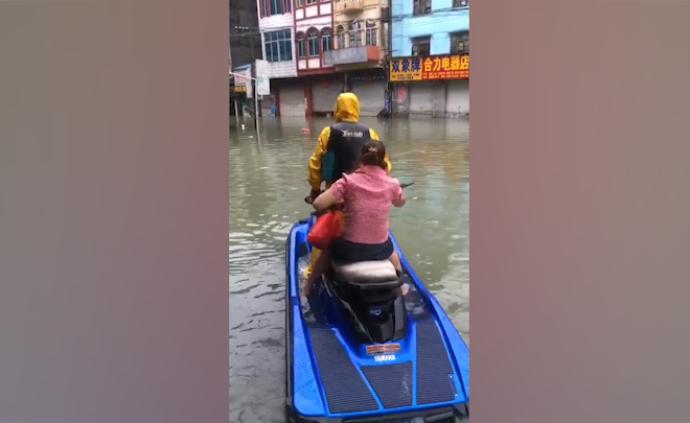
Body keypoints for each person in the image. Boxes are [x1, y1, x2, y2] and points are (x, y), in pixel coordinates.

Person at [304, 92, 393, 281]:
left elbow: (316, 164)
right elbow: (386, 166)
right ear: (357, 108)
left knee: (325, 238)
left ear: (337, 108)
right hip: (364, 199)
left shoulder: (329, 132)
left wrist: (314, 188)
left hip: (336, 198)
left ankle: (312, 277)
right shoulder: (371, 133)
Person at [303, 140, 406, 296]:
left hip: (351, 251)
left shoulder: (348, 181)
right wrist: (396, 186)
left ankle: (309, 285)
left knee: (327, 250)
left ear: (361, 159)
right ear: (384, 160)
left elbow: (318, 204)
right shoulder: (391, 184)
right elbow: (400, 203)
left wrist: (340, 202)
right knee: (391, 249)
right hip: (380, 250)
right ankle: (401, 284)